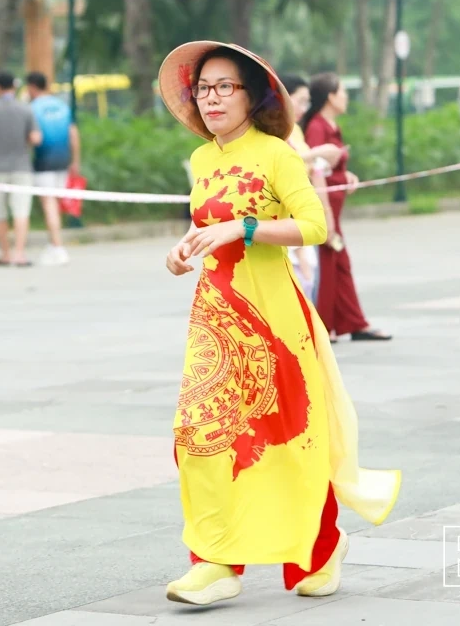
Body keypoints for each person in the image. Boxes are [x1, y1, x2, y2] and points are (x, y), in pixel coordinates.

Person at [157, 41, 399, 607]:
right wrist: (184, 248)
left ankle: (319, 550)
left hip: (273, 318)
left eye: (224, 87)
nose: (211, 98)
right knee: (198, 434)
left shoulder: (277, 154)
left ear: (251, 95)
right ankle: (216, 561)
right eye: (203, 88)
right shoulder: (201, 159)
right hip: (216, 316)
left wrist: (245, 228)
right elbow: (208, 228)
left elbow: (313, 225)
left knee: (289, 437)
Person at [302, 73, 391, 342]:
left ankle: (350, 322)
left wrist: (346, 175)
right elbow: (316, 171)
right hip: (325, 204)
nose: (346, 97)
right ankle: (324, 324)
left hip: (336, 206)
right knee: (330, 262)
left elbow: (332, 167)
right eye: (342, 92)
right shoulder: (317, 127)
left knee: (339, 262)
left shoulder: (331, 126)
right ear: (330, 96)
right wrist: (325, 212)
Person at [282, 73, 342, 303]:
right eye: (300, 101)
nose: (304, 108)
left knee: (309, 281)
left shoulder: (295, 129)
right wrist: (317, 154)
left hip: (307, 211)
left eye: (307, 102)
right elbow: (289, 162)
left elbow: (313, 169)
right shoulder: (280, 130)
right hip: (291, 216)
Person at [0, 72, 41, 267]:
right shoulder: (25, 109)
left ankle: (5, 253)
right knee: (21, 211)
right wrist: (25, 145)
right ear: (14, 86)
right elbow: (36, 138)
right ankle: (20, 253)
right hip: (21, 167)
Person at [27, 72, 81, 266]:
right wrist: (75, 160)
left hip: (43, 162)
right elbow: (73, 133)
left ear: (32, 87)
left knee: (49, 204)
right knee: (56, 204)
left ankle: (57, 247)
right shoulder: (62, 106)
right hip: (63, 160)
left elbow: (32, 138)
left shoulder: (32, 108)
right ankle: (54, 243)